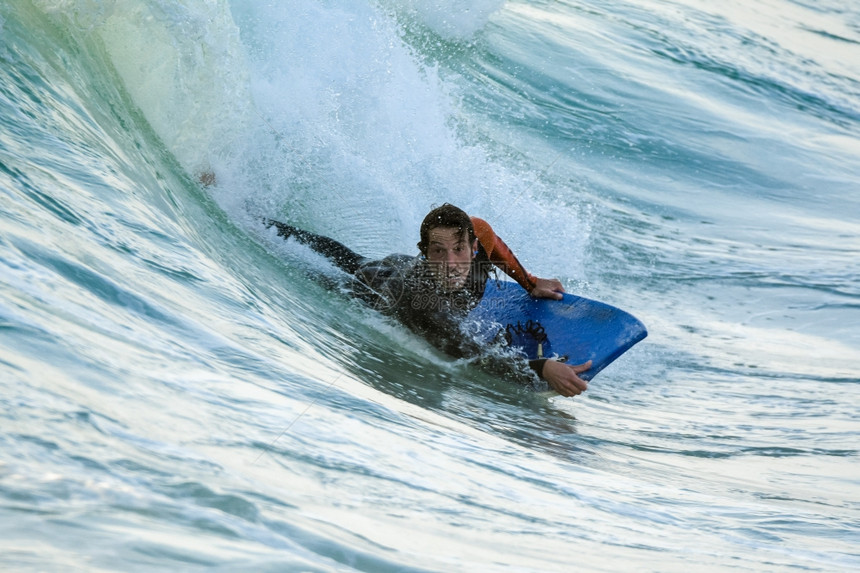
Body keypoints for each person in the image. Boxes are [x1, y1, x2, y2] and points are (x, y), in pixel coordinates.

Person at [265, 203, 592, 397]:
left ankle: (259, 218)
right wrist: (540, 369)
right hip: (388, 292)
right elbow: (472, 355)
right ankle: (256, 222)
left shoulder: (480, 235)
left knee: (355, 259)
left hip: (402, 267)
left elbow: (495, 245)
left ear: (473, 247)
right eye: (439, 252)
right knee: (336, 276)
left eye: (459, 251)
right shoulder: (425, 305)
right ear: (426, 251)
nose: (452, 264)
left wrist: (529, 281)